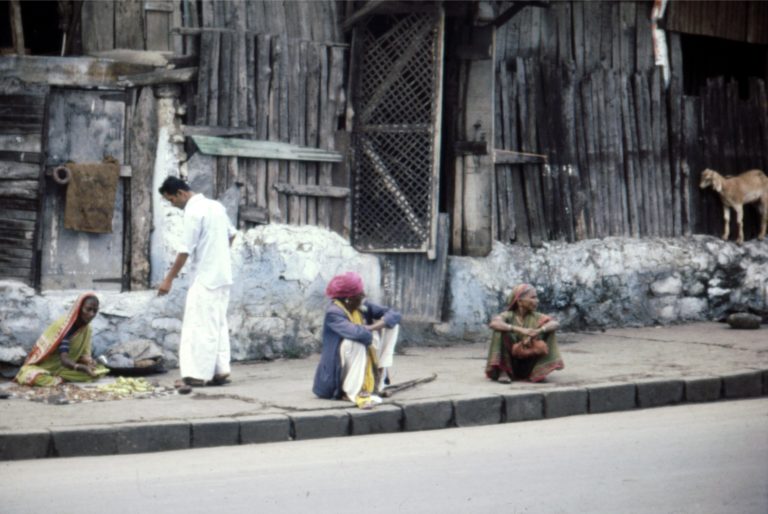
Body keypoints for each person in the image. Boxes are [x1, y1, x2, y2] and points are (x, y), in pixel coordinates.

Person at [157, 176, 236, 390]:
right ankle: (220, 370)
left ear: (181, 194)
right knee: (217, 322)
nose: (173, 204)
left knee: (199, 325)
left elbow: (185, 249)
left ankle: (196, 375)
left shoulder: (193, 211)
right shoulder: (216, 206)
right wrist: (217, 253)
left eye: (171, 200)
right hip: (222, 275)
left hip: (206, 277)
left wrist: (168, 279)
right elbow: (231, 235)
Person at [312, 272, 402, 409]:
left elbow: (395, 315)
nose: (364, 295)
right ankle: (355, 392)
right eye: (360, 294)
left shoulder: (361, 305)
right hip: (335, 377)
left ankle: (379, 375)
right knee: (355, 342)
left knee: (392, 325)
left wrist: (374, 325)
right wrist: (372, 329)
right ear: (349, 299)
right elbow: (361, 335)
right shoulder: (334, 313)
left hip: (359, 354)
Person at [15, 292, 109, 386]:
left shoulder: (87, 329)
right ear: (79, 308)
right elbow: (64, 359)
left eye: (95, 311)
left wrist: (88, 361)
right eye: (88, 309)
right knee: (34, 376)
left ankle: (60, 377)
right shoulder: (65, 326)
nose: (91, 314)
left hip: (68, 368)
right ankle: (58, 378)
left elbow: (84, 354)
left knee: (100, 371)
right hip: (50, 366)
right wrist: (82, 367)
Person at [485, 283, 564, 383]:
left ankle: (539, 371)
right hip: (511, 363)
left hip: (529, 362)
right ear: (520, 301)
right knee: (499, 331)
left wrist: (539, 330)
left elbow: (555, 324)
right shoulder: (508, 315)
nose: (537, 301)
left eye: (536, 298)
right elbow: (494, 323)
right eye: (533, 298)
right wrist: (518, 329)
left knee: (549, 329)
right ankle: (503, 371)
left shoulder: (536, 316)